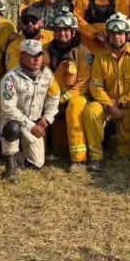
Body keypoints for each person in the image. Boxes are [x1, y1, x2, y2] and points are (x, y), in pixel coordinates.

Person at [83, 14, 130, 169]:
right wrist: (110, 106)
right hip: (107, 104)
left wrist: (121, 102)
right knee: (91, 110)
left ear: (127, 34)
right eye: (113, 33)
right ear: (108, 35)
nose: (117, 37)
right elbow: (96, 86)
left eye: (120, 33)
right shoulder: (100, 57)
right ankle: (95, 157)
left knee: (125, 155)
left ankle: (115, 143)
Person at [0, 40, 60, 181]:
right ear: (22, 56)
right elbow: (8, 108)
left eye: (39, 54)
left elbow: (55, 96)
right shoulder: (10, 78)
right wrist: (31, 126)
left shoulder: (48, 74)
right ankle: (10, 165)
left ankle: (19, 156)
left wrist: (47, 117)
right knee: (12, 127)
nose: (37, 59)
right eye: (32, 55)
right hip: (13, 119)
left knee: (37, 164)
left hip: (35, 121)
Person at [47, 11, 94, 172]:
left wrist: (65, 97)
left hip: (76, 96)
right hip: (52, 98)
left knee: (74, 110)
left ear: (73, 32)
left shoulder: (83, 53)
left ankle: (79, 160)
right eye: (59, 30)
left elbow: (84, 82)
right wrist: (53, 100)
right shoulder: (45, 51)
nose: (62, 33)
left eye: (66, 30)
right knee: (59, 149)